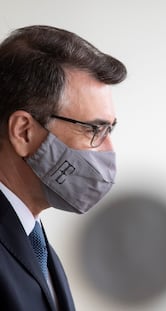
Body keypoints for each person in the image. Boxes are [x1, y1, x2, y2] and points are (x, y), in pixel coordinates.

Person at [0, 25, 126, 310]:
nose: (109, 151)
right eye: (95, 129)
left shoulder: (35, 243)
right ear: (23, 132)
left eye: (110, 130)